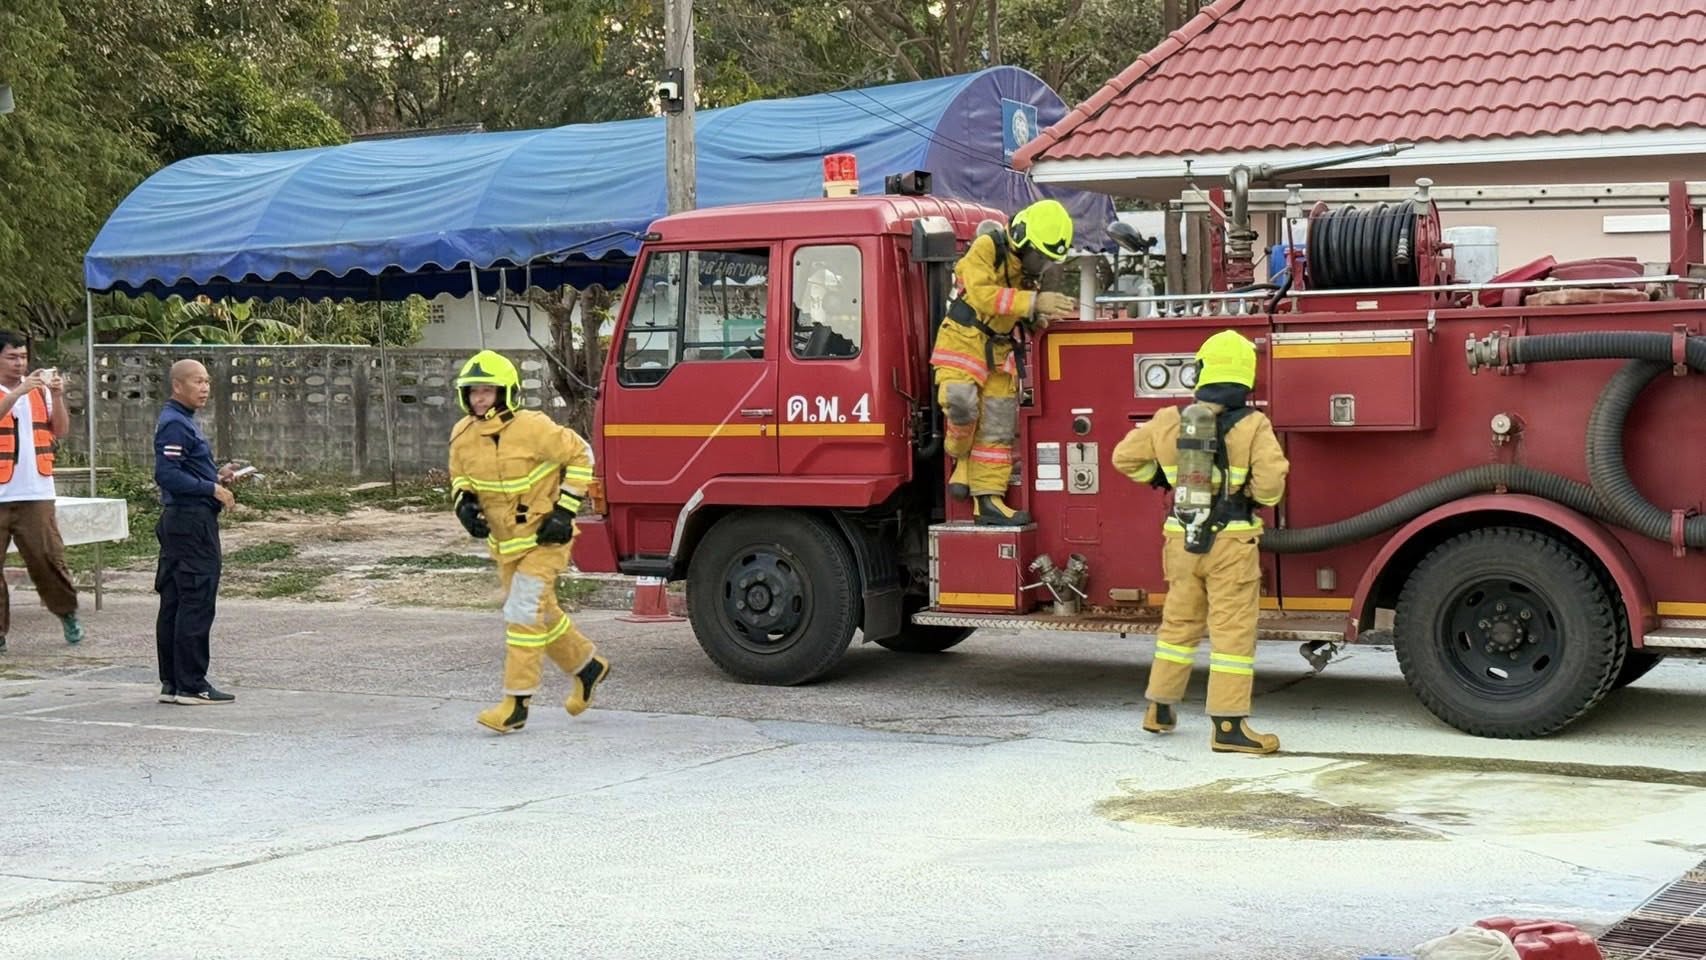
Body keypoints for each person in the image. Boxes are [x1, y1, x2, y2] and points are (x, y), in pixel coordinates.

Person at [1111, 330, 1290, 754]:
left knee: (1179, 624)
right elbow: (1271, 485)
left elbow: (1123, 458)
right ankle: (1228, 727)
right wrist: (1251, 498)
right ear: (1247, 375)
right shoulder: (1253, 424)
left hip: (1181, 539)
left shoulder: (1169, 418)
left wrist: (1160, 478)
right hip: (1231, 543)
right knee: (1231, 633)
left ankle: (1159, 708)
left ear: (1202, 371)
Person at [448, 350, 609, 734]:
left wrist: (565, 511)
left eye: (487, 391)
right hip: (505, 544)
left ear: (506, 392)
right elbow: (460, 476)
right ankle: (587, 667)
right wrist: (463, 505)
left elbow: (582, 455)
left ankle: (516, 704)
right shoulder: (462, 435)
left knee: (522, 611)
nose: (479, 399)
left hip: (545, 539)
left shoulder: (534, 427)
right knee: (541, 613)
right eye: (473, 391)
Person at [929, 198, 1078, 525]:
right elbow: (982, 295)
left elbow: (1017, 312)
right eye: (1040, 256)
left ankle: (989, 502)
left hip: (1000, 351)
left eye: (1048, 260)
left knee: (997, 427)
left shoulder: (1028, 272)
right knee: (961, 403)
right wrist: (1034, 302)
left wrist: (1038, 317)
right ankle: (960, 459)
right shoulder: (986, 247)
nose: (1042, 265)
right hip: (963, 340)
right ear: (1022, 239)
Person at [154, 359, 238, 704]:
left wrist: (216, 476)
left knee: (177, 599)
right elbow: (167, 475)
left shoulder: (183, 421)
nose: (204, 388)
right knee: (195, 599)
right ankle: (191, 683)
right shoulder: (175, 423)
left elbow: (183, 470)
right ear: (178, 385)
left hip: (185, 521)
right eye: (197, 381)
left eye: (206, 382)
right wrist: (211, 489)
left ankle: (174, 682)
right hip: (190, 522)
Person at [0, 331, 81, 653]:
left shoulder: (41, 391)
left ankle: (67, 613)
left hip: (35, 492)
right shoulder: (21, 390)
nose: (19, 363)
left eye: (23, 357)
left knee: (48, 558)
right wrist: (18, 391)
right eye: (12, 357)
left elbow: (60, 430)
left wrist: (57, 396)